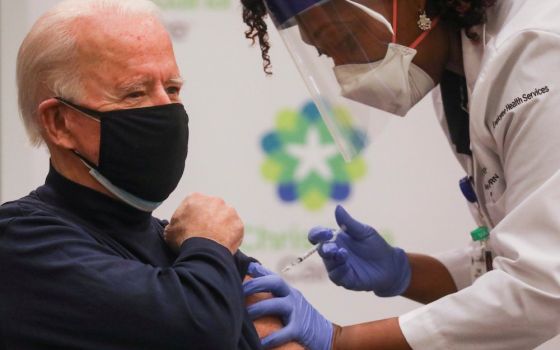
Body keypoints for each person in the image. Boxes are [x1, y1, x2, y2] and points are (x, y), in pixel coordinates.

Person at [240, 0, 560, 349]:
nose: (346, 77)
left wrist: (341, 340)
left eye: (346, 41)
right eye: (327, 55)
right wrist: (405, 272)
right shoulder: (459, 78)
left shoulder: (536, 53)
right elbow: (512, 263)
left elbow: (544, 285)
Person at [0, 0, 301, 348]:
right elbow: (199, 331)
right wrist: (210, 245)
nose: (167, 110)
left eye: (172, 89)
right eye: (135, 93)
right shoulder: (21, 242)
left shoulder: (177, 241)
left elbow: (285, 335)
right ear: (59, 123)